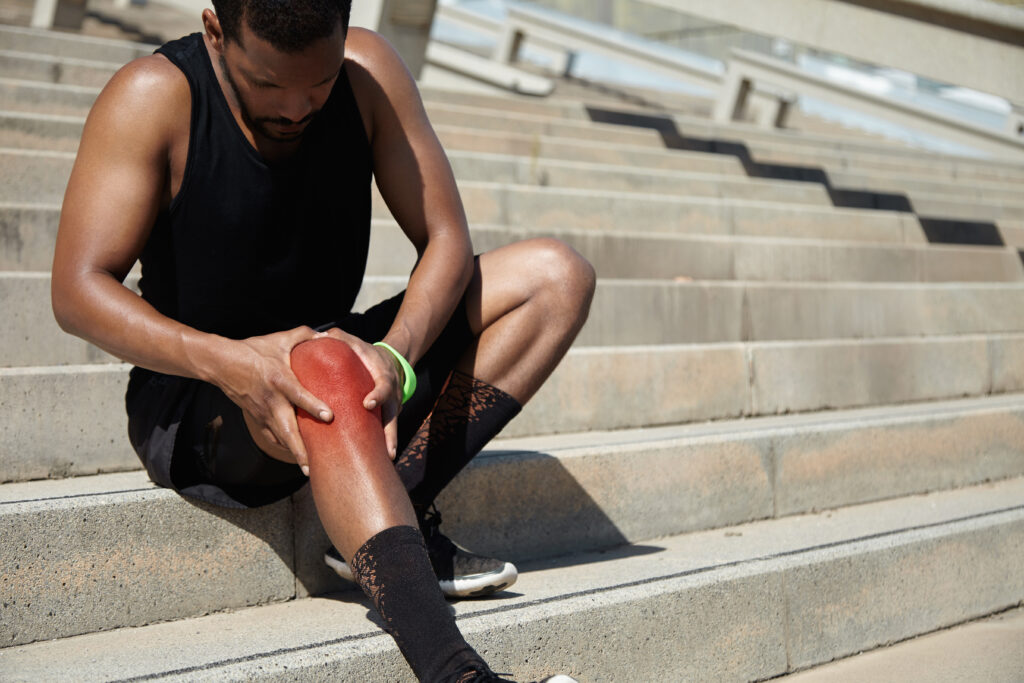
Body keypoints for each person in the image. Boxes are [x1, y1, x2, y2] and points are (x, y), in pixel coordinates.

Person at [51, 0, 594, 680]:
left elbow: (448, 239)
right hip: (203, 395)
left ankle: (381, 505)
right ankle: (455, 670)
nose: (299, 107)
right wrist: (230, 361)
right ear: (216, 31)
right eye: (268, 83)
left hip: (339, 355)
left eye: (320, 81)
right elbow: (77, 289)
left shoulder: (368, 74)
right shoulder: (154, 96)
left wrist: (396, 353)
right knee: (326, 360)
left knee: (556, 277)